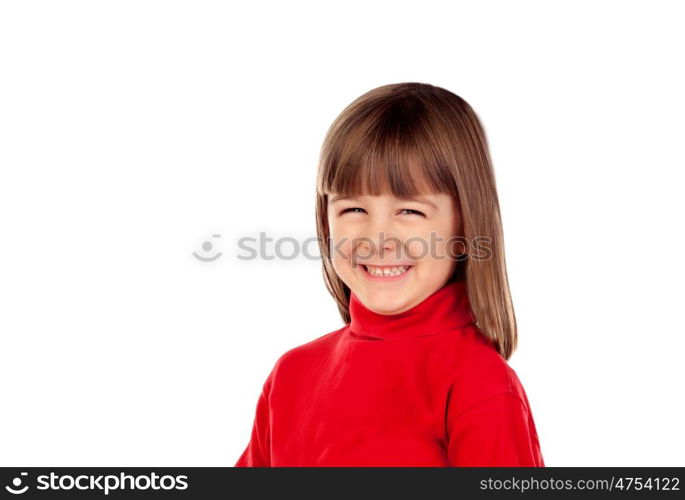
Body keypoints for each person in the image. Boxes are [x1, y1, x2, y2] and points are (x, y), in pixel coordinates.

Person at [234, 82, 545, 467]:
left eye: (410, 211)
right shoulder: (291, 376)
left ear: (465, 230)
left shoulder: (478, 384)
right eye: (353, 210)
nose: (377, 239)